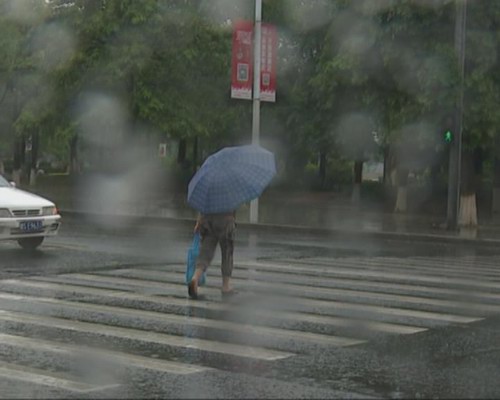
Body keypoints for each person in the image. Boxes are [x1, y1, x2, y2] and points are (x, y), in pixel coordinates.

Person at [188, 211, 237, 300]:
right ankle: (225, 286)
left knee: (205, 252)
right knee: (227, 253)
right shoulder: (230, 196)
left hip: (208, 219)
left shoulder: (208, 196)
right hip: (226, 220)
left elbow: (203, 205)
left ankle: (195, 277)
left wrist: (199, 221)